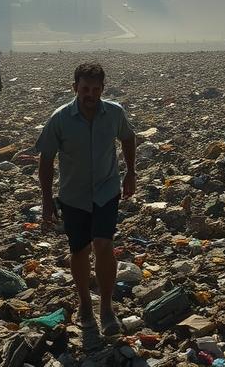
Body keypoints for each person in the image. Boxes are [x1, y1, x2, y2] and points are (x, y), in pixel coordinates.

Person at [36, 62, 137, 350]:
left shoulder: (114, 113)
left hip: (106, 191)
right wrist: (46, 200)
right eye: (84, 89)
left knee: (104, 244)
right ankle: (84, 304)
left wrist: (130, 172)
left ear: (102, 89)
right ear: (75, 88)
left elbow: (128, 138)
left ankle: (106, 308)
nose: (89, 94)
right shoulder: (61, 118)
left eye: (95, 89)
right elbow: (46, 160)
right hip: (73, 195)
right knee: (78, 250)